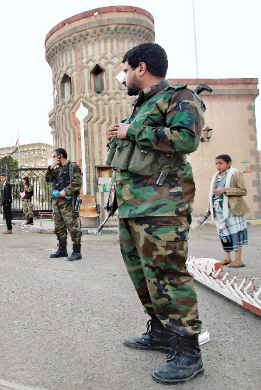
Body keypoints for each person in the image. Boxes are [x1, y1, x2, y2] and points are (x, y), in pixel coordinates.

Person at [106, 43, 206, 384]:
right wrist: (126, 133)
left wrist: (132, 131)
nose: (124, 77)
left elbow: (186, 139)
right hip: (133, 207)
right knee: (143, 275)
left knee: (168, 274)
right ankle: (162, 332)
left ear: (141, 67)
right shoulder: (142, 106)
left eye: (125, 70)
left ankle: (189, 351)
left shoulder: (179, 97)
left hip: (162, 207)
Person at [208, 154, 250, 268]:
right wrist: (209, 208)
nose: (218, 166)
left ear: (229, 163)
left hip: (232, 208)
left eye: (221, 163)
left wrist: (225, 190)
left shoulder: (236, 174)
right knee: (223, 234)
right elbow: (212, 194)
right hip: (219, 209)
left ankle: (238, 259)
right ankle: (227, 257)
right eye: (216, 164)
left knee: (235, 233)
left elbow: (243, 190)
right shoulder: (215, 177)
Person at [45, 148, 82, 260]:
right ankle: (62, 249)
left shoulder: (73, 166)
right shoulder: (57, 169)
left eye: (54, 156)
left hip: (68, 202)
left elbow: (77, 182)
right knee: (59, 227)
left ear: (60, 156)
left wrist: (66, 191)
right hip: (57, 202)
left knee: (72, 226)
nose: (53, 159)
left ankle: (77, 251)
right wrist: (51, 167)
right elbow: (48, 179)